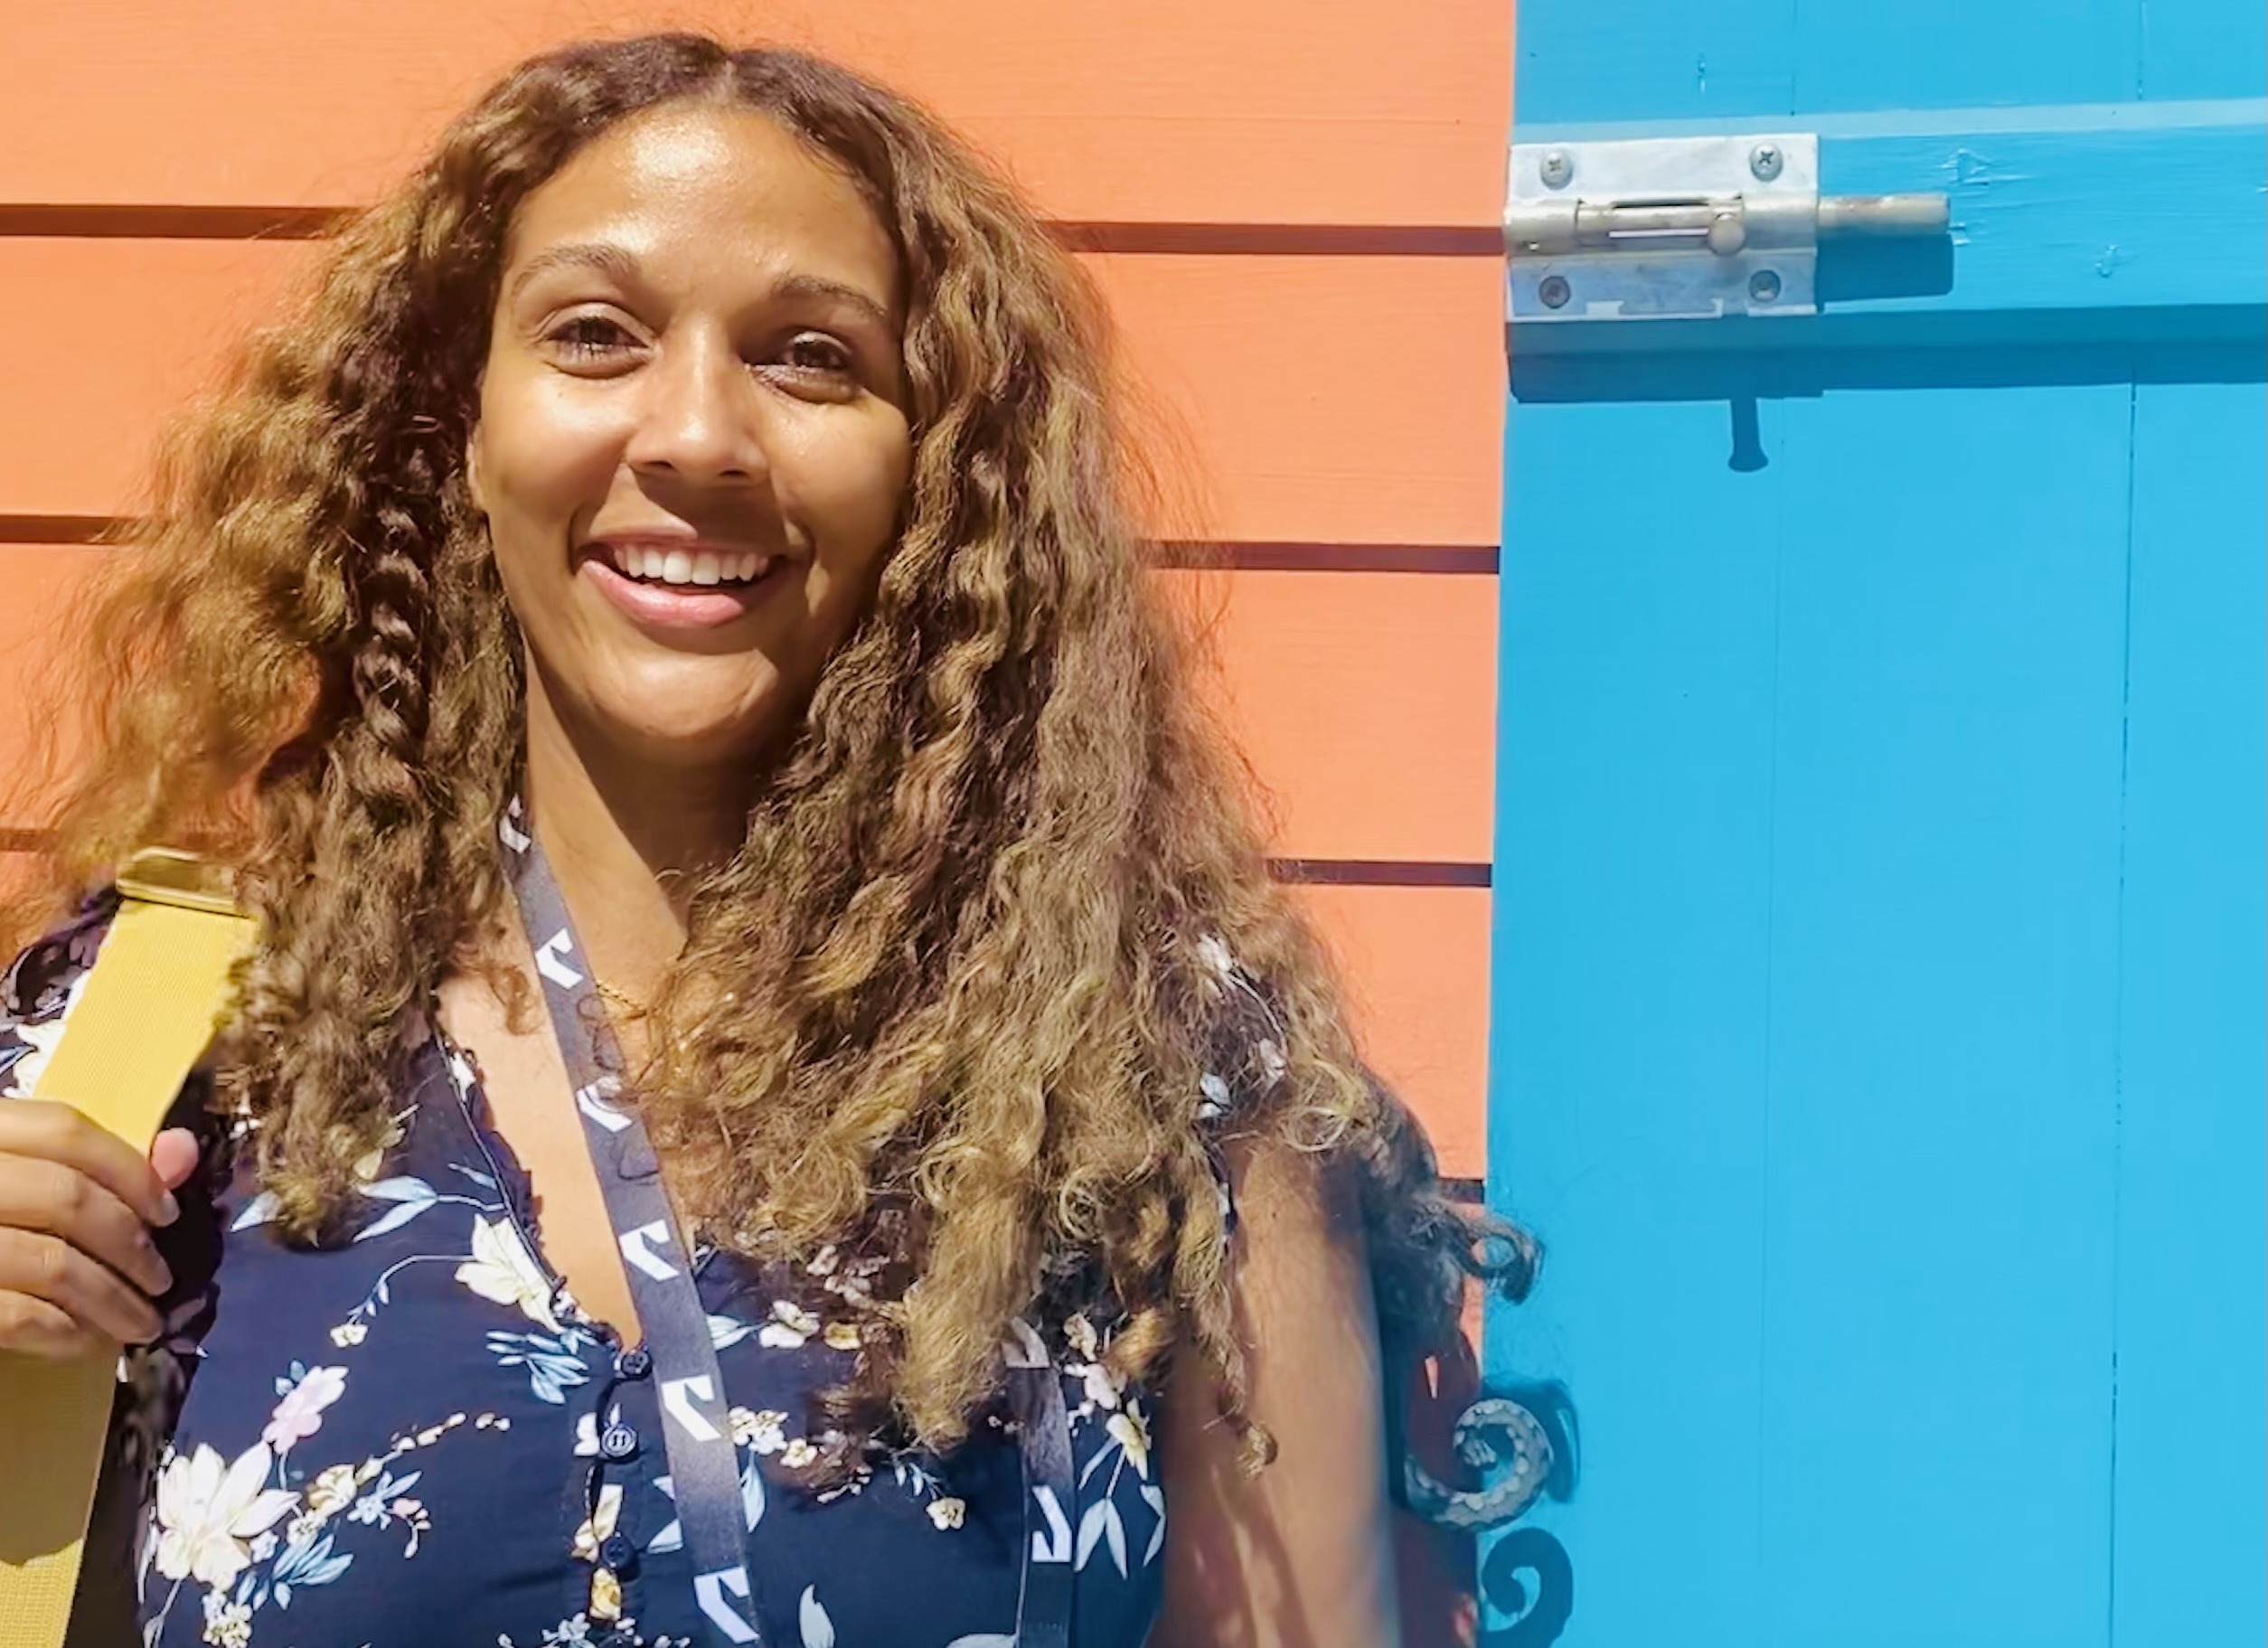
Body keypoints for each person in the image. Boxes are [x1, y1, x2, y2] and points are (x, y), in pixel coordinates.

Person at [0, 33, 1523, 1648]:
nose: (698, 436)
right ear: (462, 421)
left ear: (931, 472)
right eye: (593, 336)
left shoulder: (1176, 1083)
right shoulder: (157, 1052)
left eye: (809, 359)